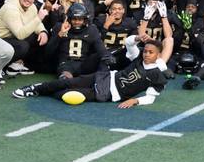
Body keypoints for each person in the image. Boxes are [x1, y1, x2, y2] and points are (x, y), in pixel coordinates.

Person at [12, 8, 174, 107]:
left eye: (150, 52)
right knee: (68, 82)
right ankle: (33, 89)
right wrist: (138, 38)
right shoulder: (138, 58)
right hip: (105, 77)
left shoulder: (158, 75)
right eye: (145, 51)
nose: (146, 54)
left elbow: (151, 97)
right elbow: (129, 44)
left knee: (69, 94)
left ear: (158, 55)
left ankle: (46, 92)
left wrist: (135, 101)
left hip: (110, 94)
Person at [0, 0, 49, 76]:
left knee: (37, 37)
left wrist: (43, 31)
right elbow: (20, 34)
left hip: (8, 39)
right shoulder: (10, 8)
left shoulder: (32, 6)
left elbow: (34, 21)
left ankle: (14, 65)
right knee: (23, 46)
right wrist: (39, 17)